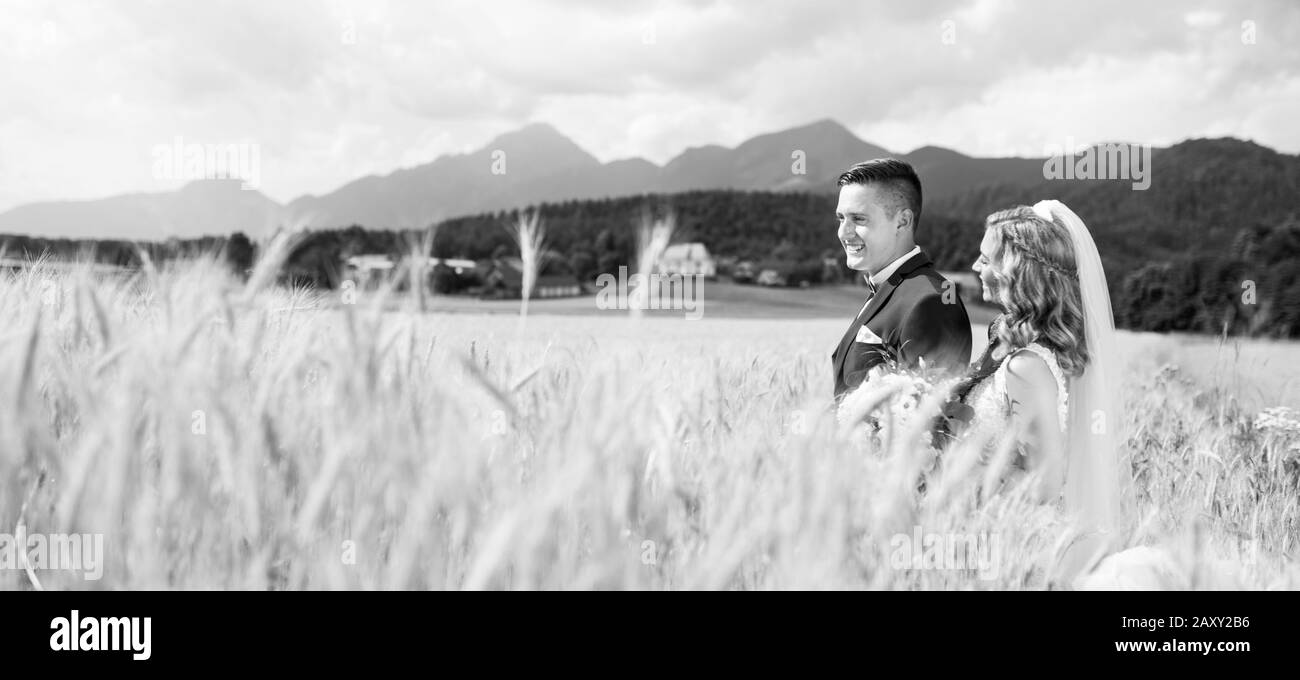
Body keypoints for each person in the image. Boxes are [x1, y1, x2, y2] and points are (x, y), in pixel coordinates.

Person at [830, 159, 972, 400]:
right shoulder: (889, 287)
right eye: (841, 218)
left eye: (859, 219)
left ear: (902, 221)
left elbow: (926, 419)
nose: (844, 232)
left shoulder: (933, 302)